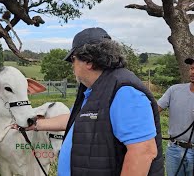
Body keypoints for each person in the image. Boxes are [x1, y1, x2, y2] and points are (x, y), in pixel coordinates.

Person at [14, 27, 164, 176]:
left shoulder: (124, 92)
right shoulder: (94, 89)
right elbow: (77, 119)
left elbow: (143, 151)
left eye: (73, 59)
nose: (72, 65)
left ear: (88, 61)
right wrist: (35, 124)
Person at [157, 58, 194, 176]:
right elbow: (153, 110)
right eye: (192, 68)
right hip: (174, 149)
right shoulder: (174, 90)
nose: (193, 72)